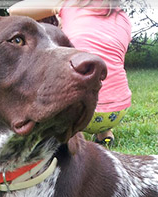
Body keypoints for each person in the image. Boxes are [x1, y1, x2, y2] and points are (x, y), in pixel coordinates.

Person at [8, 0, 132, 147]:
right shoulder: (124, 19)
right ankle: (105, 133)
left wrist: (57, 5)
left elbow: (14, 10)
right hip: (118, 110)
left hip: (83, 113)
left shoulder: (70, 4)